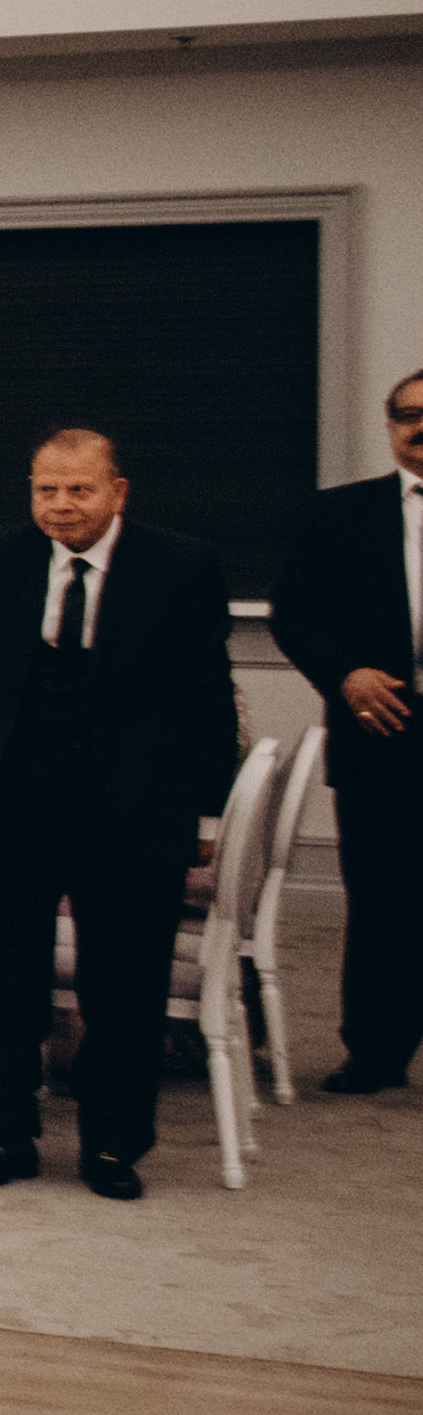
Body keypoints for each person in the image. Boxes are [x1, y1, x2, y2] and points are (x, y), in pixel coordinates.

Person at [0, 425, 239, 1200]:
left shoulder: (178, 564)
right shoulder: (1, 553)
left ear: (117, 491)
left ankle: (112, 1143)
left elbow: (205, 697)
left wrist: (206, 815)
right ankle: (3, 1133)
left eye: (78, 489)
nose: (60, 504)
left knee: (122, 982)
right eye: (45, 489)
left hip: (130, 802)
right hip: (18, 797)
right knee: (1, 973)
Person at [269, 366, 423, 1097]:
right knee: (383, 900)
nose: (420, 428)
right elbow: (294, 616)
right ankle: (376, 1051)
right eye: (408, 415)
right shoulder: (337, 515)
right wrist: (346, 676)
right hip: (377, 729)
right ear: (389, 425)